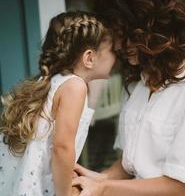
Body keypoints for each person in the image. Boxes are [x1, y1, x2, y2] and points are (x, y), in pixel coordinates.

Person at [72, 0, 185, 195]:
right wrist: (97, 179)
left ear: (155, 29)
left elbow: (182, 188)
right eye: (116, 35)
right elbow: (128, 165)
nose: (119, 46)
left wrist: (104, 188)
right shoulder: (139, 82)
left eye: (126, 35)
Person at [0, 11, 115, 196]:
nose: (116, 58)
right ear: (89, 58)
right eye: (112, 51)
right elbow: (62, 148)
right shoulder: (75, 86)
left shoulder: (51, 81)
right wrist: (65, 193)